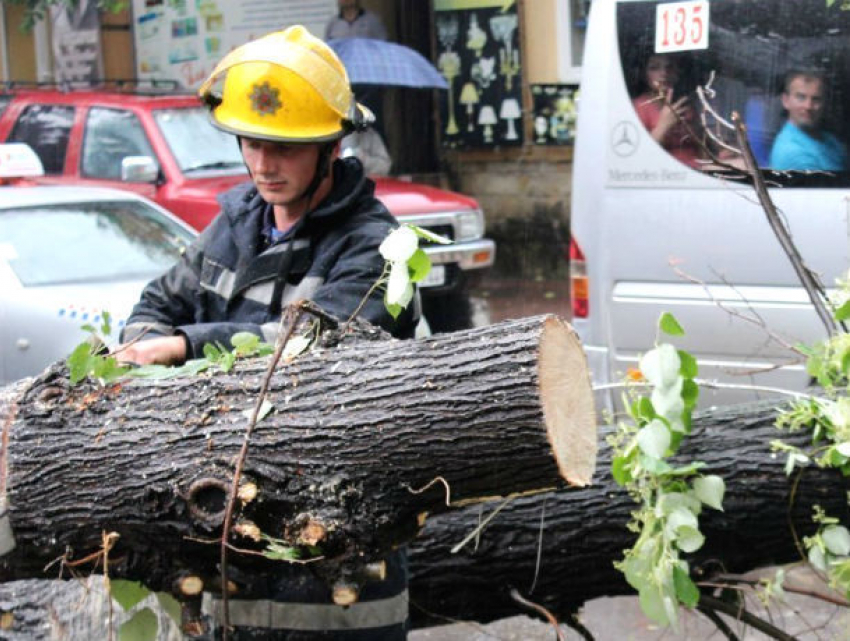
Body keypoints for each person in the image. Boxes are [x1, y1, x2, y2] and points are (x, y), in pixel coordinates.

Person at [117, 25, 415, 639]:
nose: (262, 163)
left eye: (283, 147)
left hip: (337, 580)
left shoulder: (376, 248)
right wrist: (145, 350)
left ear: (332, 148)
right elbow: (155, 303)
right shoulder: (234, 224)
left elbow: (312, 352)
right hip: (227, 557)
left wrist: (184, 348)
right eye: (251, 142)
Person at [325, 0, 389, 138]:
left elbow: (382, 51)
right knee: (346, 126)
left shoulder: (372, 22)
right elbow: (328, 54)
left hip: (369, 84)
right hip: (344, 84)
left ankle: (379, 157)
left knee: (373, 124)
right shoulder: (333, 24)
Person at [768, 69, 848, 171]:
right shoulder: (792, 151)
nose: (808, 106)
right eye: (801, 97)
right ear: (786, 101)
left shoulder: (829, 140)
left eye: (816, 99)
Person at [632, 54, 703, 168]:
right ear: (645, 75)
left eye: (669, 67)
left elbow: (701, 144)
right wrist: (663, 125)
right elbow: (638, 156)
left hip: (699, 169)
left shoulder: (684, 103)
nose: (664, 73)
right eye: (654, 68)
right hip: (669, 172)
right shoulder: (640, 106)